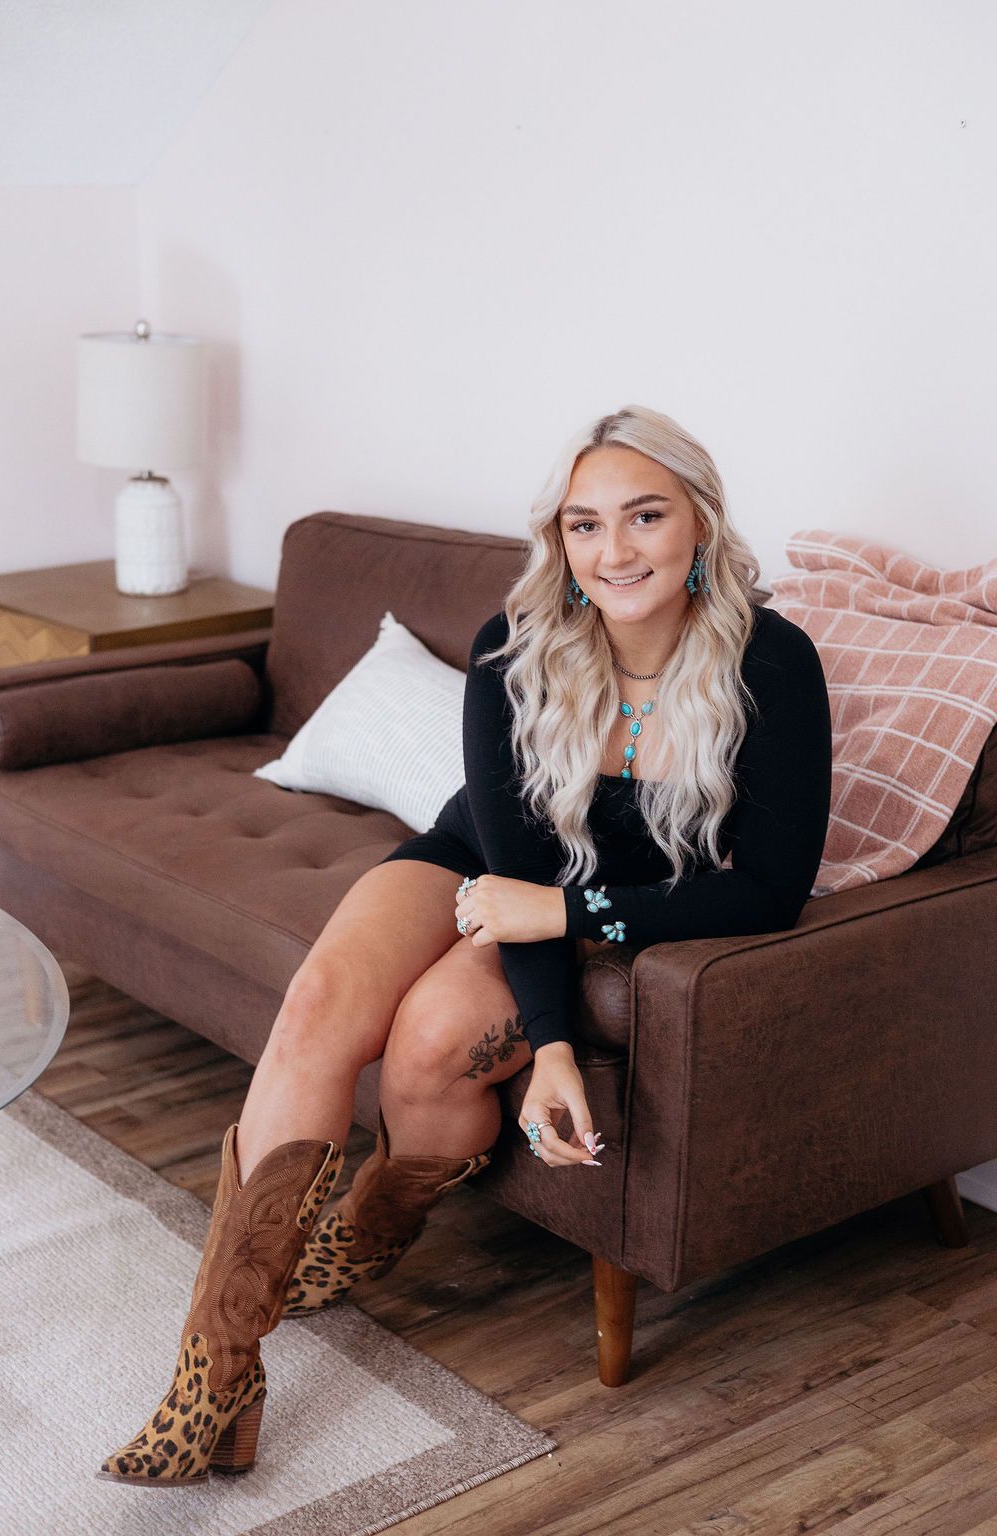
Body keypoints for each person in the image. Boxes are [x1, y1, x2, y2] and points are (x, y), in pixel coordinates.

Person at [97, 404, 833, 1486]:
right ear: (559, 540)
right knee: (317, 1005)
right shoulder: (515, 647)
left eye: (644, 516)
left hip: (615, 902)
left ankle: (375, 1222)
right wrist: (551, 1038)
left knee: (432, 1046)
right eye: (584, 524)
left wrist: (571, 921)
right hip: (484, 860)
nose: (615, 550)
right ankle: (218, 1372)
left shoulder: (772, 663)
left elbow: (769, 890)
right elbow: (509, 868)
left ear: (701, 523)